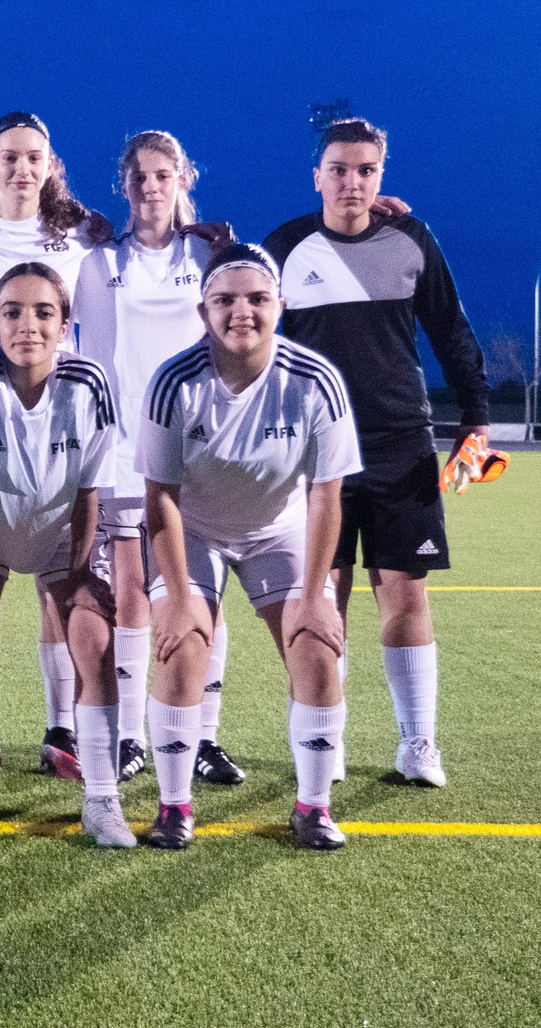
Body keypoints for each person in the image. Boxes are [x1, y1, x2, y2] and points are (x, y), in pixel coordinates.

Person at [263, 118, 488, 788]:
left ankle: (418, 744)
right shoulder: (285, 245)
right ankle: (322, 746)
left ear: (381, 176)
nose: (352, 181)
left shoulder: (413, 240)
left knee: (405, 596)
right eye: (339, 168)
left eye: (365, 170)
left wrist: (475, 421)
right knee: (320, 602)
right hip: (312, 453)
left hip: (402, 446)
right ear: (317, 176)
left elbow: (452, 334)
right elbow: (241, 319)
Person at [136, 244, 360, 852]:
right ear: (202, 309)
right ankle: (175, 806)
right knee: (183, 649)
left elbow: (326, 495)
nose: (243, 312)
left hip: (278, 527)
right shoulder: (173, 381)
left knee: (316, 647)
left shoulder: (316, 380)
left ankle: (313, 805)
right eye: (225, 300)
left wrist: (316, 596)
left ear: (280, 306)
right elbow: (160, 498)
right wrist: (180, 597)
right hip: (195, 528)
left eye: (258, 299)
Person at [0, 263, 125, 848]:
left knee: (91, 632)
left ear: (65, 325)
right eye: (12, 312)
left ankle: (103, 799)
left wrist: (81, 579)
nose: (27, 325)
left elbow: (89, 494)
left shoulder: (88, 383)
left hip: (64, 523)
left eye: (43, 313)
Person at [0, 110, 116, 779]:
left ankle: (61, 728)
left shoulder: (81, 235)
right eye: (8, 156)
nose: (21, 167)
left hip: (56, 420)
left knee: (57, 586)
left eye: (33, 156)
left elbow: (95, 313)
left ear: (50, 164)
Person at [90, 131, 243, 788]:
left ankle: (203, 737)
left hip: (202, 452)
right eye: (140, 177)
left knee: (200, 596)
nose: (151, 186)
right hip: (123, 449)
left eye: (163, 175)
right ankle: (128, 738)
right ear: (123, 185)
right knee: (130, 598)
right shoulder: (97, 259)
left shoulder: (211, 252)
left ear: (184, 178)